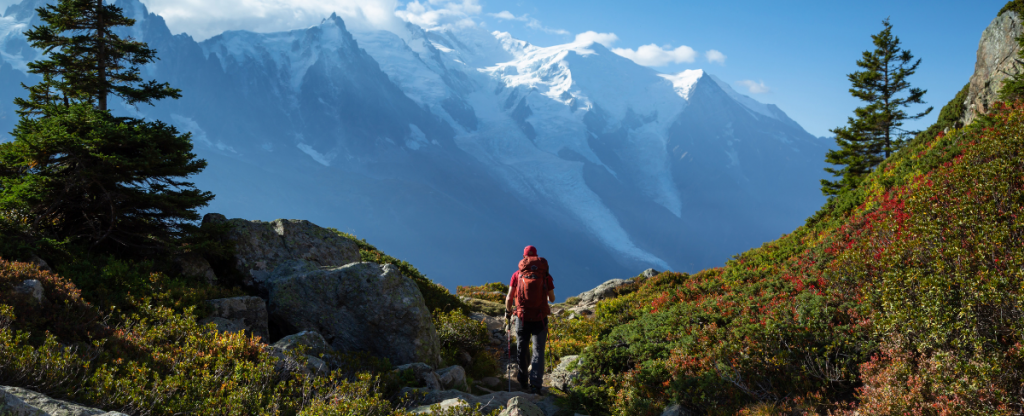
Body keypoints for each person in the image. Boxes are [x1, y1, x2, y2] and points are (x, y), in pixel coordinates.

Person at [505, 245, 555, 394]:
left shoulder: (517, 275)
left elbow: (509, 297)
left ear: (524, 257)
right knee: (538, 350)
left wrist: (508, 312)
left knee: (522, 348)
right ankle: (536, 385)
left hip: (522, 317)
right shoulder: (545, 275)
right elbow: (552, 299)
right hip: (540, 318)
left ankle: (523, 380)